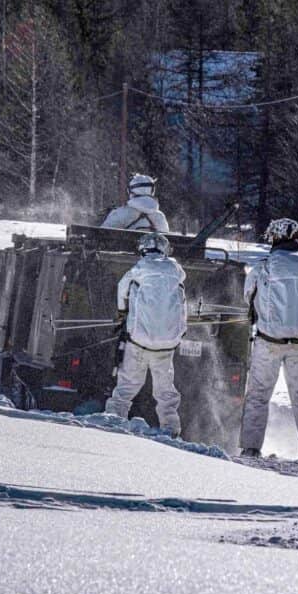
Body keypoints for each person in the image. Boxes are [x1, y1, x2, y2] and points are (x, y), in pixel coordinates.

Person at [239, 218, 298, 469]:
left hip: (269, 341)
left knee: (258, 395)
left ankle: (251, 448)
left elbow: (249, 296)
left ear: (274, 238)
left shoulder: (265, 265)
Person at [104, 232, 187, 436]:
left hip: (139, 341)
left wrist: (123, 312)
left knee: (127, 385)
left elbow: (121, 291)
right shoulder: (177, 272)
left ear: (143, 249)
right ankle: (171, 428)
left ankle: (113, 420)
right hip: (167, 343)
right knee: (165, 390)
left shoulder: (137, 270)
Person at [101, 173, 170, 232]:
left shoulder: (121, 213)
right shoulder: (160, 217)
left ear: (131, 191)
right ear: (152, 191)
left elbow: (102, 236)